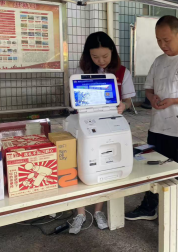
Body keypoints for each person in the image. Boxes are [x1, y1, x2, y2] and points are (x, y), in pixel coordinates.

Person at [125, 15, 178, 221]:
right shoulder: (159, 61)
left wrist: (173, 101)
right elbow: (149, 88)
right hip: (157, 126)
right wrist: (152, 97)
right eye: (158, 40)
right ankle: (149, 207)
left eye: (167, 40)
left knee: (177, 175)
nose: (162, 45)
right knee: (152, 169)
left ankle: (175, 217)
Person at [69, 32, 136, 235]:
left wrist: (123, 105)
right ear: (88, 55)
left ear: (113, 52)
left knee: (106, 163)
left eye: (105, 56)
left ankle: (98, 210)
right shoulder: (80, 71)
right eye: (95, 57)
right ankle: (80, 212)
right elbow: (73, 100)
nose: (101, 61)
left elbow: (129, 100)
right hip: (85, 124)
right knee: (81, 163)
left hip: (110, 123)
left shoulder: (123, 72)